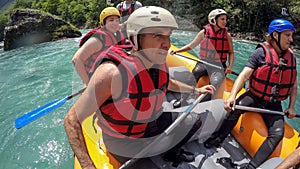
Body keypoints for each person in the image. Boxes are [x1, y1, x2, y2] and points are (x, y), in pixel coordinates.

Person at [64, 6, 215, 169]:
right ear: (135, 39)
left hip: (152, 122)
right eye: (158, 36)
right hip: (124, 141)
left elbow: (168, 83)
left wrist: (196, 90)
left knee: (194, 121)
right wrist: (87, 166)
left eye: (168, 36)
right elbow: (71, 121)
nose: (167, 44)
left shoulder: (158, 61)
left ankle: (170, 153)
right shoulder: (110, 73)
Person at [204, 18, 298, 169]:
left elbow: (293, 85)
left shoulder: (291, 58)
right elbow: (243, 75)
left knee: (278, 133)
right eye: (287, 35)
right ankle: (218, 138)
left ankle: (252, 166)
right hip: (254, 96)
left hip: (274, 103)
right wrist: (232, 96)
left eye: (291, 35)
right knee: (235, 109)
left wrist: (292, 107)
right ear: (275, 35)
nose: (291, 39)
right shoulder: (260, 53)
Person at [171, 9, 234, 99]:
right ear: (213, 20)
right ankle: (184, 98)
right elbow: (191, 46)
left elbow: (231, 53)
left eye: (225, 19)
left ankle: (203, 101)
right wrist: (177, 51)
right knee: (194, 73)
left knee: (216, 82)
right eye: (222, 19)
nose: (225, 22)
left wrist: (230, 66)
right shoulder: (204, 32)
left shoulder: (227, 35)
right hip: (204, 62)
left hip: (219, 65)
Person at [72, 7, 128, 85]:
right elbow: (76, 60)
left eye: (117, 20)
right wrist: (88, 84)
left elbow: (119, 26)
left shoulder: (113, 31)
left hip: (106, 76)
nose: (115, 23)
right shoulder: (98, 40)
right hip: (94, 81)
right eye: (111, 20)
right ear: (103, 24)